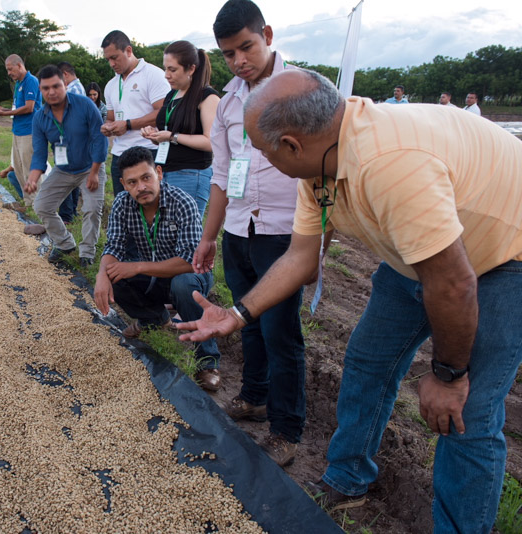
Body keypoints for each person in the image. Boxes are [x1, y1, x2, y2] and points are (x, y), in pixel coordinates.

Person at [178, 67, 522, 533]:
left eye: (263, 150)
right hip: (418, 258)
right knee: (366, 361)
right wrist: (238, 314)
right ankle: (347, 477)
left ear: (292, 145)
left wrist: (448, 374)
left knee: (467, 412)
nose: (260, 158)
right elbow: (301, 257)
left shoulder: (390, 164)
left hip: (504, 255)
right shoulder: (321, 162)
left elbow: (454, 283)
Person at [190, 0, 306, 467]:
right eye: (229, 53)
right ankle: (255, 398)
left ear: (268, 35)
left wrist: (319, 244)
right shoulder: (229, 101)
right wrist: (209, 236)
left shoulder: (302, 89)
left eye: (247, 47)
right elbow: (222, 173)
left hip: (284, 231)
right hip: (239, 228)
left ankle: (287, 429)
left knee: (282, 333)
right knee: (248, 320)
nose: (239, 61)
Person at [94, 146, 221, 391]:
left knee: (184, 284)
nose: (141, 187)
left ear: (159, 173)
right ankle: (154, 319)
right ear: (123, 184)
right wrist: (102, 275)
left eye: (146, 178)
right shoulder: (123, 204)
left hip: (190, 275)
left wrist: (139, 266)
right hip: (155, 276)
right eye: (132, 182)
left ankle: (208, 361)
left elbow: (190, 262)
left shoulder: (182, 202)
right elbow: (114, 246)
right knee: (113, 274)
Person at [26, 65, 108, 267]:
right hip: (63, 169)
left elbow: (100, 139)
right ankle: (65, 243)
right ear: (41, 91)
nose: (51, 92)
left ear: (64, 83)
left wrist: (95, 172)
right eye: (46, 88)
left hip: (91, 167)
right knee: (42, 205)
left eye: (56, 86)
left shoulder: (85, 105)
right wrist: (33, 177)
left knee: (92, 208)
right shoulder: (40, 118)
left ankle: (87, 252)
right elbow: (40, 153)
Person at [140, 41, 220, 217]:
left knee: (187, 232)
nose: (167, 75)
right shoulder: (172, 95)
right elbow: (169, 131)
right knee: (166, 231)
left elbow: (211, 141)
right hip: (164, 171)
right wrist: (155, 135)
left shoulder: (207, 97)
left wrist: (171, 137)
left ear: (191, 69)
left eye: (172, 70)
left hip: (191, 173)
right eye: (165, 69)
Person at [100, 30, 171, 197]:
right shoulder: (111, 85)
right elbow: (110, 116)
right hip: (119, 154)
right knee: (123, 207)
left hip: (147, 151)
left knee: (152, 206)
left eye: (115, 57)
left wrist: (128, 124)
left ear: (129, 51)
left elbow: (163, 112)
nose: (111, 64)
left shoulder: (153, 75)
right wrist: (107, 126)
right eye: (107, 59)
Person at [0, 55, 43, 205]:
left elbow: (29, 107)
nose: (9, 73)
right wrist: (4, 109)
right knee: (18, 168)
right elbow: (17, 107)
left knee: (28, 168)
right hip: (17, 130)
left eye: (10, 69)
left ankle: (37, 203)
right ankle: (28, 202)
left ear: (19, 65)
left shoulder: (30, 81)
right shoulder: (19, 84)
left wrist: (4, 114)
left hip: (29, 131)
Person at [56, 61, 85, 224]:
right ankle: (72, 211)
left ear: (65, 75)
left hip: (70, 141)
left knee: (65, 177)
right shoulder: (78, 88)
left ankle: (66, 215)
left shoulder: (72, 90)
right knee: (74, 177)